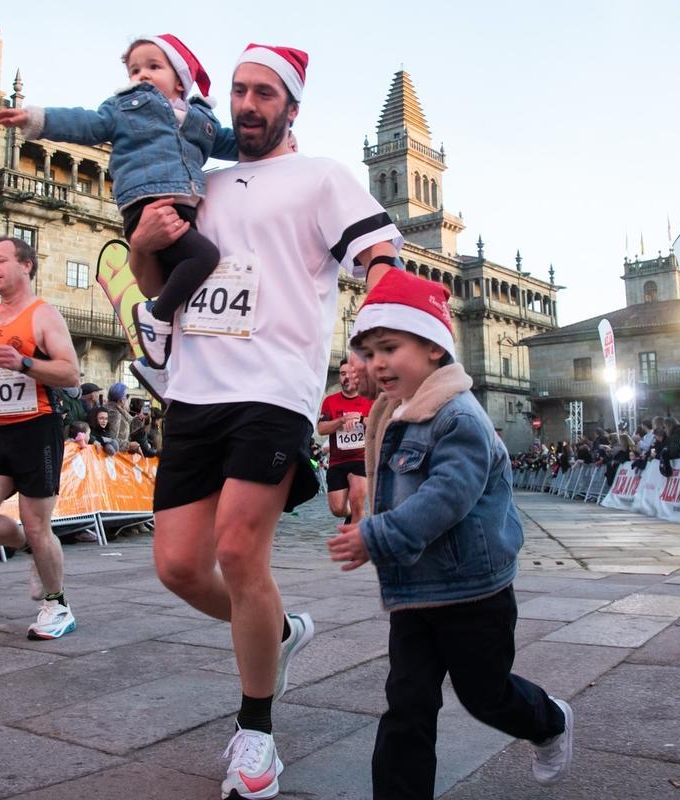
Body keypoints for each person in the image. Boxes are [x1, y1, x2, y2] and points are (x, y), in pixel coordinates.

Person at [125, 43, 403, 798]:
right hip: (192, 390)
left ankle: (256, 733)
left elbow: (376, 250)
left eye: (263, 93)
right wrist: (141, 246)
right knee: (179, 565)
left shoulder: (320, 178)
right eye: (240, 90)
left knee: (240, 550)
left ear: (290, 107)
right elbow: (158, 283)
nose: (248, 104)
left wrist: (380, 310)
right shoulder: (200, 183)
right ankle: (278, 632)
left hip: (273, 389)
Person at [328, 270, 572, 798]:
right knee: (407, 704)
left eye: (389, 348)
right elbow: (379, 389)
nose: (377, 363)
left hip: (473, 591)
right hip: (417, 591)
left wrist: (377, 536)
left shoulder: (459, 418)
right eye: (369, 352)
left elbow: (447, 497)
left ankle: (548, 720)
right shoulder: (397, 408)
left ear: (434, 348)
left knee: (485, 696)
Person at [0, 34, 237, 371]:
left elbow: (228, 142)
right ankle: (155, 317)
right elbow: (88, 123)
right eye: (135, 70)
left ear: (181, 80)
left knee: (185, 272)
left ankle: (164, 355)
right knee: (206, 256)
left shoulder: (201, 120)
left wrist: (277, 140)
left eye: (154, 66)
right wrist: (38, 119)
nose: (142, 75)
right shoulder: (126, 108)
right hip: (147, 200)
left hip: (183, 206)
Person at [0, 237, 81, 640]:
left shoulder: (44, 315)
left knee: (37, 522)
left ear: (26, 265)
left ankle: (57, 605)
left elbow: (71, 374)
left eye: (2, 259)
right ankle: (33, 553)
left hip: (36, 429)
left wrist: (26, 362)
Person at [318, 357, 373, 524]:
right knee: (337, 509)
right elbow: (321, 428)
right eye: (342, 374)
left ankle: (356, 543)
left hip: (361, 458)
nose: (346, 377)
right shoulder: (330, 401)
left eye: (350, 373)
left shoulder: (369, 399)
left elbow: (378, 424)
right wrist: (341, 421)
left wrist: (361, 418)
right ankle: (352, 515)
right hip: (337, 461)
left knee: (357, 501)